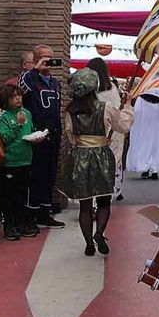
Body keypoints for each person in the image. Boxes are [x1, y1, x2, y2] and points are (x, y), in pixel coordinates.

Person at [60, 68, 135, 256]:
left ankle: (88, 245)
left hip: (80, 157)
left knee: (85, 205)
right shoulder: (106, 107)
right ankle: (99, 233)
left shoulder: (71, 111)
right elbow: (123, 125)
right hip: (102, 155)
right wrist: (127, 106)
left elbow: (71, 136)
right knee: (103, 201)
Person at [20, 46, 66, 227]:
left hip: (53, 134)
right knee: (35, 176)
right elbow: (22, 91)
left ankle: (44, 212)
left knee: (49, 174)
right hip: (36, 134)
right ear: (36, 59)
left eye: (50, 58)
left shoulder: (55, 83)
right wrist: (35, 70)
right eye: (44, 58)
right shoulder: (30, 78)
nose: (48, 62)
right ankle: (29, 214)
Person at [0, 81, 39, 241]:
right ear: (6, 100)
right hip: (10, 161)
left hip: (26, 159)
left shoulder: (27, 113)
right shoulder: (3, 117)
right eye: (13, 97)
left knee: (22, 194)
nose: (18, 99)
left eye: (19, 95)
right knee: (9, 196)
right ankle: (9, 225)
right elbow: (5, 138)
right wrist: (18, 126)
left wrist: (36, 137)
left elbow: (31, 131)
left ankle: (21, 223)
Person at [91, 57, 129, 201]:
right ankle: (110, 192)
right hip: (111, 129)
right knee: (111, 162)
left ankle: (94, 197)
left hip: (92, 131)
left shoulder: (87, 88)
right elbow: (117, 111)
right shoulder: (111, 88)